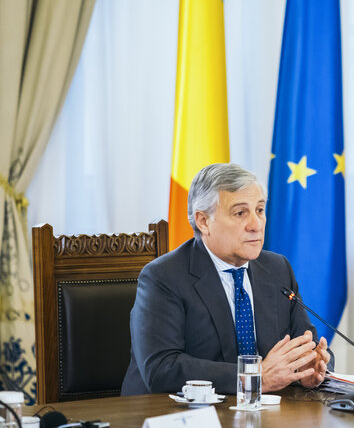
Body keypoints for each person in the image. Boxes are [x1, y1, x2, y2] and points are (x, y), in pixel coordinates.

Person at [122, 163, 332, 395]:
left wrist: (311, 367)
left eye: (260, 210)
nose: (256, 225)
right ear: (203, 221)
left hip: (261, 417)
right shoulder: (163, 277)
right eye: (240, 213)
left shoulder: (277, 269)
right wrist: (254, 376)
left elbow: (305, 344)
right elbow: (161, 368)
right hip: (177, 417)